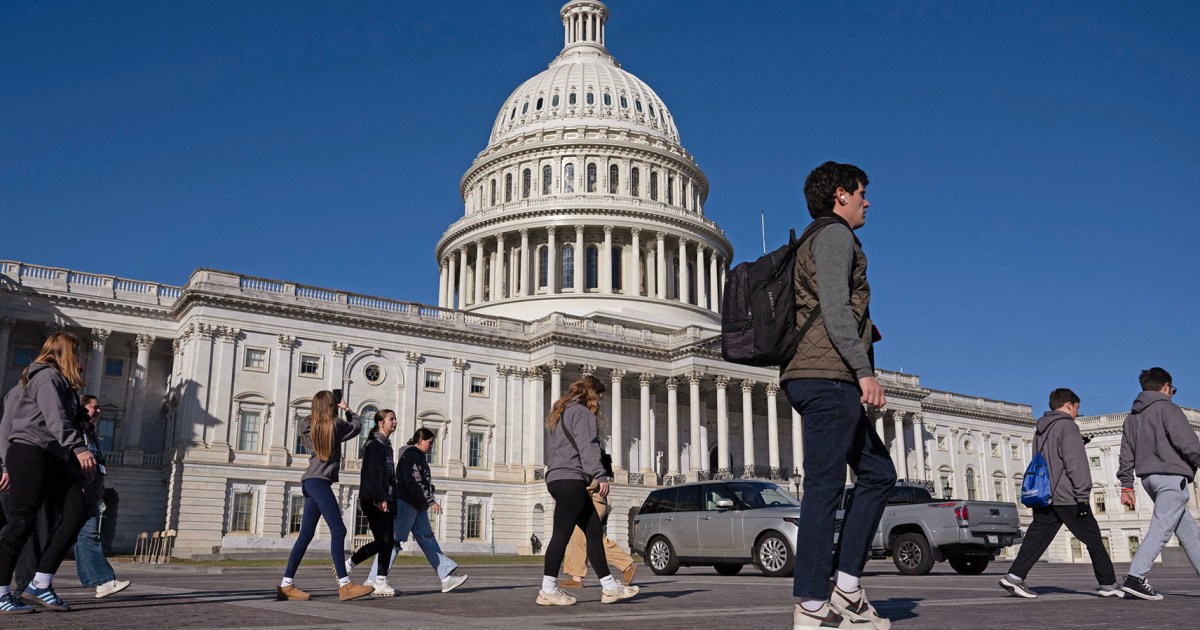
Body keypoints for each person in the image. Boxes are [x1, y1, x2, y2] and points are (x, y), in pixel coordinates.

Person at [782, 162, 895, 629]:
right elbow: (833, 308)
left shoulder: (819, 238)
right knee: (825, 487)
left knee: (878, 474)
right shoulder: (833, 237)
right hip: (827, 377)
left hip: (823, 375)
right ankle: (811, 602)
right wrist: (863, 370)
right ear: (840, 196)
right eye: (861, 193)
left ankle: (846, 587)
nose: (867, 201)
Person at [0, 332, 97, 614]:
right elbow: (55, 419)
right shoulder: (46, 377)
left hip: (52, 456)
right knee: (21, 523)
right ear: (65, 352)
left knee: (77, 510)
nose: (79, 359)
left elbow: (7, 424)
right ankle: (2, 592)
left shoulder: (51, 383)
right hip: (31, 452)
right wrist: (80, 450)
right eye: (76, 353)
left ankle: (40, 583)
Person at [999, 388, 1122, 599]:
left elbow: (1049, 457)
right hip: (1067, 495)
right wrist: (1082, 495)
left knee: (1036, 539)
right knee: (1093, 538)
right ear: (1068, 405)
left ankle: (1014, 577)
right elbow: (1075, 464)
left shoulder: (1041, 429)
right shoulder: (1068, 426)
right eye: (1077, 407)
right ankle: (1108, 584)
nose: (1077, 412)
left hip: (1045, 495)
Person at [535, 375, 637, 607]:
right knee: (561, 534)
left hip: (558, 477)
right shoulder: (582, 413)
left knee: (592, 532)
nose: (599, 405)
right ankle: (547, 589)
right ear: (593, 395)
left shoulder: (559, 413)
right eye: (599, 399)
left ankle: (610, 587)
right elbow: (588, 446)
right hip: (571, 478)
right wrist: (600, 475)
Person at [276, 390, 373, 602]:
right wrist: (347, 408)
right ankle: (345, 585)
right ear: (332, 406)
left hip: (310, 481)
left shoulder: (307, 425)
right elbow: (357, 426)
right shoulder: (336, 425)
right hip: (320, 483)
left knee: (305, 535)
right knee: (339, 530)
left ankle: (286, 584)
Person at [1116, 367, 1200, 600]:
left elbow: (1126, 455)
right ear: (1165, 387)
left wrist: (1126, 485)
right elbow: (1188, 443)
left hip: (1149, 480)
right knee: (1162, 528)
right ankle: (1136, 577)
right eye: (1172, 389)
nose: (1172, 393)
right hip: (1171, 478)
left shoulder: (1131, 418)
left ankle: (1136, 577)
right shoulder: (1168, 408)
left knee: (1190, 533)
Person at [363, 427, 468, 594]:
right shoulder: (411, 455)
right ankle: (373, 580)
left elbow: (418, 481)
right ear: (420, 440)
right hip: (406, 503)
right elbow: (413, 480)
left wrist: (427, 493)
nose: (432, 446)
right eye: (430, 442)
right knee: (393, 542)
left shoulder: (417, 457)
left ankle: (446, 577)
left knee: (427, 539)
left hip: (416, 505)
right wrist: (430, 500)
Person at [73, 394, 131, 598]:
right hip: (78, 493)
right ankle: (33, 582)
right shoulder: (76, 432)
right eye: (94, 407)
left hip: (91, 494)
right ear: (82, 408)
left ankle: (102, 582)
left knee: (86, 536)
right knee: (85, 536)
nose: (98, 411)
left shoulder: (91, 433)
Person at [346, 410, 398, 597]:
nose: (395, 422)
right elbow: (375, 474)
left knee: (386, 542)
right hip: (374, 498)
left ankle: (349, 566)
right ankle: (379, 581)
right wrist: (381, 497)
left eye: (394, 419)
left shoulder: (386, 445)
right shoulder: (375, 445)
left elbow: (388, 475)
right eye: (391, 419)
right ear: (380, 423)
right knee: (385, 541)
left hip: (385, 497)